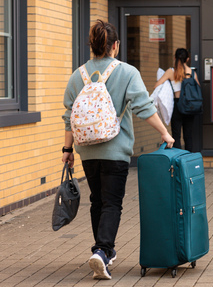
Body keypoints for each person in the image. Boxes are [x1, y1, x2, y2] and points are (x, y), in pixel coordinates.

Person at [61, 19, 174, 280]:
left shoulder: (78, 75)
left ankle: (103, 251)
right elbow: (144, 108)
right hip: (115, 150)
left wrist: (67, 149)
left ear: (92, 46)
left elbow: (69, 117)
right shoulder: (127, 72)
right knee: (112, 203)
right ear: (116, 46)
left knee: (97, 201)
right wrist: (164, 132)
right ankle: (102, 251)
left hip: (87, 151)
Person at [154, 48, 199, 152]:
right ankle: (189, 160)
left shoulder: (171, 72)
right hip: (189, 106)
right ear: (187, 59)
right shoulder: (192, 73)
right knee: (188, 135)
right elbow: (198, 88)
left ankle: (178, 160)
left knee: (176, 135)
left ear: (175, 58)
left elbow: (156, 85)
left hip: (177, 105)